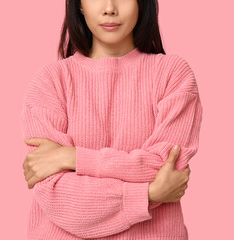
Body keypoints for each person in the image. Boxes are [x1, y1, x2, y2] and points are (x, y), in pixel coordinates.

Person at [20, 0, 203, 239]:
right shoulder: (50, 81)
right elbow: (55, 193)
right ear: (79, 5)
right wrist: (148, 194)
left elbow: (164, 167)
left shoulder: (173, 74)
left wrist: (72, 157)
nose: (109, 8)